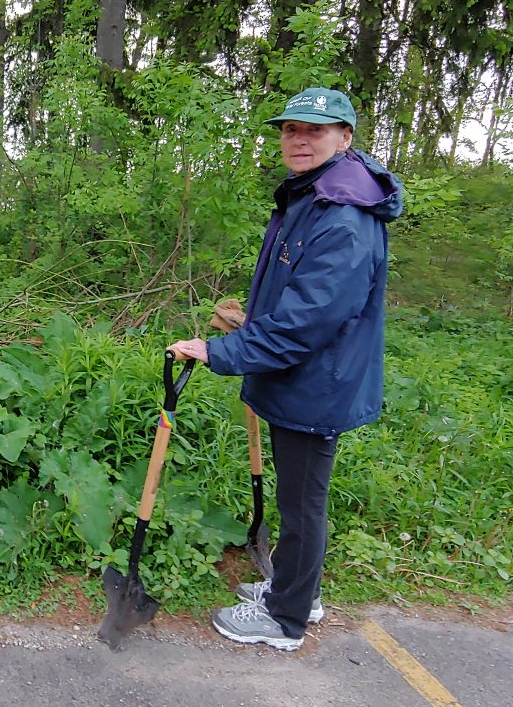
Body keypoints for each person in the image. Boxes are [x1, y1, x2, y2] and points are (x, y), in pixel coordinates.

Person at [169, 87, 403, 651]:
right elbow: (304, 299)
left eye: (314, 130)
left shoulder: (343, 215)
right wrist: (253, 319)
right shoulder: (314, 197)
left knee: (301, 502)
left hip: (316, 382)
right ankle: (298, 591)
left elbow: (311, 321)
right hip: (302, 375)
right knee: (299, 497)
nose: (298, 139)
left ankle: (287, 618)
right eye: (290, 129)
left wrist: (221, 352)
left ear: (345, 138)